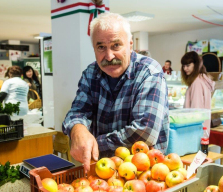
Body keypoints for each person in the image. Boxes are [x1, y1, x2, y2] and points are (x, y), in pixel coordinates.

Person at [62, 12, 169, 171]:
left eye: (116, 45)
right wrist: (77, 129)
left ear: (130, 44)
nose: (109, 56)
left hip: (144, 174)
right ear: (94, 48)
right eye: (101, 47)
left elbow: (145, 132)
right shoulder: (91, 73)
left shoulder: (149, 72)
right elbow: (78, 112)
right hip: (102, 173)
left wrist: (96, 142)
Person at [181, 51, 215, 131]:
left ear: (195, 65)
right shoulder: (202, 79)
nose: (185, 68)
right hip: (202, 129)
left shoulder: (197, 82)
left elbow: (196, 110)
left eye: (188, 65)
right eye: (183, 66)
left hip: (195, 130)